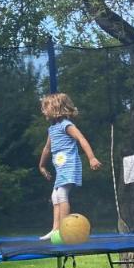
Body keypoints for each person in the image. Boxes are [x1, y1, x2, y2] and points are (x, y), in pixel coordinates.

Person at [37, 93, 101, 240]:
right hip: (61, 168)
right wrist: (41, 166)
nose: (43, 111)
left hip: (70, 165)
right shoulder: (52, 129)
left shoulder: (67, 125)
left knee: (61, 195)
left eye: (46, 108)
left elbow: (81, 139)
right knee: (55, 196)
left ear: (56, 108)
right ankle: (55, 229)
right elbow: (47, 148)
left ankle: (63, 230)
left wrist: (91, 158)